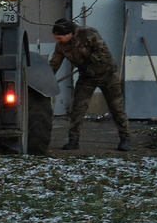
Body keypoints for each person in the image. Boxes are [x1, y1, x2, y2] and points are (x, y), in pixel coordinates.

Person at [50, 16, 132, 152]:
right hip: (87, 78)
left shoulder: (88, 33)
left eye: (59, 37)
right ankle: (73, 140)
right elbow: (54, 63)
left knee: (117, 108)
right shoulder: (61, 46)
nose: (58, 41)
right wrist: (47, 77)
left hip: (107, 75)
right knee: (78, 109)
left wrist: (86, 64)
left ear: (68, 33)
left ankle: (125, 139)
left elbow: (102, 52)